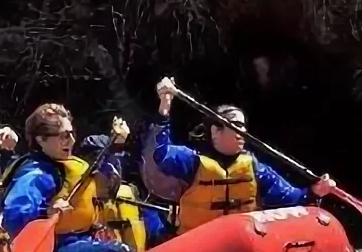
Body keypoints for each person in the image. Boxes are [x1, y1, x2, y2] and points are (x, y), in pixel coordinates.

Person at [141, 77, 336, 235]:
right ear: (215, 132)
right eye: (236, 125)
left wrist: (314, 191)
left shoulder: (255, 168)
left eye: (244, 126)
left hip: (242, 245)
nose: (242, 131)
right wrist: (165, 107)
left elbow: (290, 197)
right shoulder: (192, 162)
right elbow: (160, 153)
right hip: (198, 246)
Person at [0, 103, 134, 252]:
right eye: (63, 136)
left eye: (71, 134)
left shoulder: (69, 163)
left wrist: (114, 147)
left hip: (81, 242)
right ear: (41, 140)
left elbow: (108, 188)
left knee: (117, 249)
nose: (70, 141)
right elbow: (14, 215)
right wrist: (46, 212)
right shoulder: (36, 174)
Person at [75, 134, 172, 249]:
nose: (110, 172)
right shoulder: (78, 203)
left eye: (111, 162)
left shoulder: (131, 193)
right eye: (102, 167)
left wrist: (171, 225)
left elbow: (156, 233)